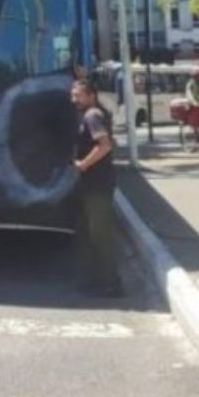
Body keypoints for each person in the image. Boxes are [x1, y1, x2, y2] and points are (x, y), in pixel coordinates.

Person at [71, 79, 122, 298]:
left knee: (100, 235)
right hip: (93, 183)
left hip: (97, 184)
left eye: (79, 95)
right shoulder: (96, 113)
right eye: (72, 95)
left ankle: (112, 283)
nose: (74, 100)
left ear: (91, 95)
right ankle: (95, 280)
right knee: (90, 234)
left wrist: (83, 165)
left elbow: (105, 145)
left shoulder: (92, 116)